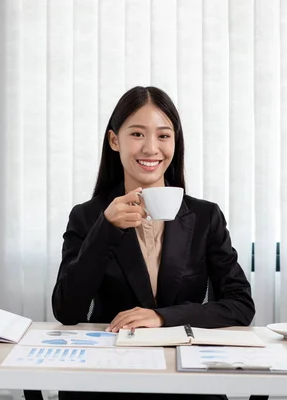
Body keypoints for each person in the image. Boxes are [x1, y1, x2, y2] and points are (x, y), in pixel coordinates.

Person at [51, 86, 256, 400]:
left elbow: (241, 304)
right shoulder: (88, 216)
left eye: (163, 135)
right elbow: (67, 310)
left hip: (185, 378)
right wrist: (105, 229)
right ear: (114, 140)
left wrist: (163, 318)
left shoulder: (204, 216)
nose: (151, 148)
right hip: (108, 379)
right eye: (137, 134)